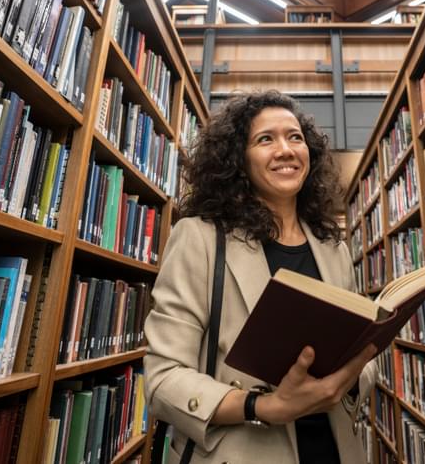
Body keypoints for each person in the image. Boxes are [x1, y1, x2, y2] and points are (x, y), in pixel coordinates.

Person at [144, 90, 378, 464]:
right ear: (239, 159)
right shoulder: (200, 238)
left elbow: (360, 353)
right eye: (265, 139)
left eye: (295, 137)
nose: (285, 149)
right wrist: (263, 406)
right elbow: (163, 379)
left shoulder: (332, 247)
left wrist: (347, 383)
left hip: (335, 450)